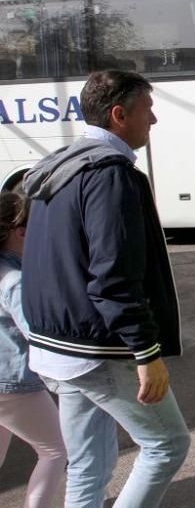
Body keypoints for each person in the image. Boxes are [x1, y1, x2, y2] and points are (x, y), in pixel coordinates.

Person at [21, 70, 190, 508]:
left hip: (55, 346)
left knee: (89, 464)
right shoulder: (109, 175)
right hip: (98, 347)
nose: (153, 121)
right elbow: (114, 277)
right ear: (119, 115)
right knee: (167, 444)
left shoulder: (57, 165)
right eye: (147, 111)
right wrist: (146, 353)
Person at [0, 190, 67, 508]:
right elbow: (38, 334)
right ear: (20, 231)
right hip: (13, 383)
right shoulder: (15, 281)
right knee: (56, 450)